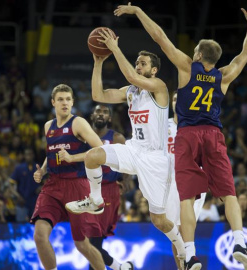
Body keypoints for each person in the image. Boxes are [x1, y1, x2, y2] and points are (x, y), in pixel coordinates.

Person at [114, 3, 247, 269]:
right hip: (213, 132)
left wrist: (139, 12)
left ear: (198, 54)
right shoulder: (225, 75)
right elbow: (244, 55)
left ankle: (190, 252)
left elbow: (160, 38)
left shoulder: (188, 68)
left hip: (188, 134)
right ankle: (239, 240)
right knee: (229, 193)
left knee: (187, 196)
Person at [66, 35, 186, 265]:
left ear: (154, 71)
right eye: (137, 62)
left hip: (155, 159)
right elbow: (98, 95)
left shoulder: (159, 88)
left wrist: (115, 48)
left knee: (159, 221)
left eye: (143, 63)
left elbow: (131, 75)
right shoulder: (131, 91)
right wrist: (98, 63)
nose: (138, 66)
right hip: (134, 149)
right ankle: (95, 199)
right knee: (93, 156)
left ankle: (182, 248)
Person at [30, 84, 107, 270]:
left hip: (77, 185)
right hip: (53, 186)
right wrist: (43, 171)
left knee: (82, 245)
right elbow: (52, 154)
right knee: (39, 235)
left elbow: (101, 150)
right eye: (60, 99)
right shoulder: (48, 126)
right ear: (53, 103)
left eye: (68, 99)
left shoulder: (78, 123)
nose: (65, 103)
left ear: (72, 102)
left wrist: (73, 157)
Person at [88, 104, 134, 270]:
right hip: (85, 190)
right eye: (98, 111)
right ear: (92, 115)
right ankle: (120, 267)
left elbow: (127, 162)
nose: (101, 114)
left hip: (107, 191)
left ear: (110, 118)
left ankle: (119, 267)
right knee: (88, 243)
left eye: (105, 112)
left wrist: (124, 180)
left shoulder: (117, 138)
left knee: (93, 242)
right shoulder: (82, 136)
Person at [166, 92, 206, 269]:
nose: (177, 102)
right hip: (169, 182)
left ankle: (189, 263)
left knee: (185, 230)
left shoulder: (199, 124)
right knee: (174, 231)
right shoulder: (161, 125)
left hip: (191, 179)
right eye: (174, 99)